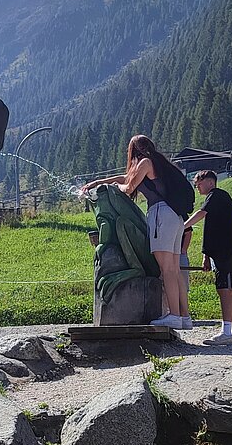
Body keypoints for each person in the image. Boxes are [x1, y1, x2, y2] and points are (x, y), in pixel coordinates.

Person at [82, 135, 194, 329]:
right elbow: (127, 177)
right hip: (174, 217)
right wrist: (98, 182)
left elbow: (128, 186)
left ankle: (174, 316)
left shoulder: (145, 163)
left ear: (133, 150)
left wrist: (116, 187)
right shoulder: (159, 163)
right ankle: (184, 317)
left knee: (166, 269)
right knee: (174, 269)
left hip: (160, 214)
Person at [185, 171, 232, 346]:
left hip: (225, 251)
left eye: (199, 183)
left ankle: (227, 332)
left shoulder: (216, 196)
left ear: (210, 182)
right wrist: (206, 255)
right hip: (228, 250)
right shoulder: (220, 200)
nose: (197, 187)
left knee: (225, 290)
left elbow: (201, 213)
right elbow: (212, 230)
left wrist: (182, 227)